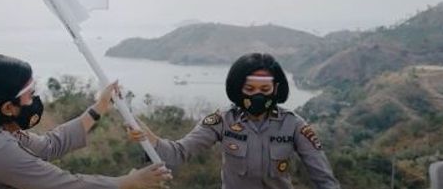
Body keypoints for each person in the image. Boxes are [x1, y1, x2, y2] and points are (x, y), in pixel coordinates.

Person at [0, 54, 171, 189]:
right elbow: (63, 184)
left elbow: (49, 146)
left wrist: (100, 106)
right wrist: (126, 183)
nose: (35, 100)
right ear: (8, 107)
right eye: (30, 94)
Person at [128, 53, 340, 189]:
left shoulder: (294, 125)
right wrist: (151, 138)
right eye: (250, 90)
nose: (258, 96)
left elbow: (323, 178)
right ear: (239, 89)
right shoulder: (222, 120)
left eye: (265, 90)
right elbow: (178, 153)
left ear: (276, 90)